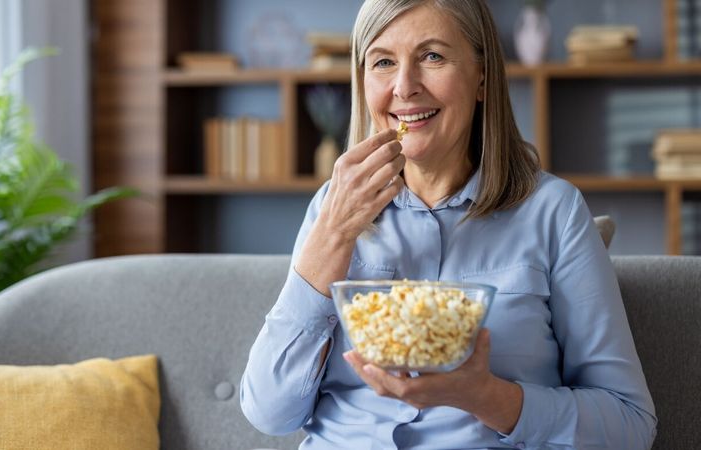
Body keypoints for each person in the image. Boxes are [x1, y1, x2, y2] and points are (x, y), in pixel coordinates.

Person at [240, 0, 657, 448]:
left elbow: (629, 424)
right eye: (383, 62)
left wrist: (488, 398)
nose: (404, 87)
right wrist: (333, 235)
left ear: (481, 77)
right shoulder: (332, 207)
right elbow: (269, 412)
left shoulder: (553, 211)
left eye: (432, 56)